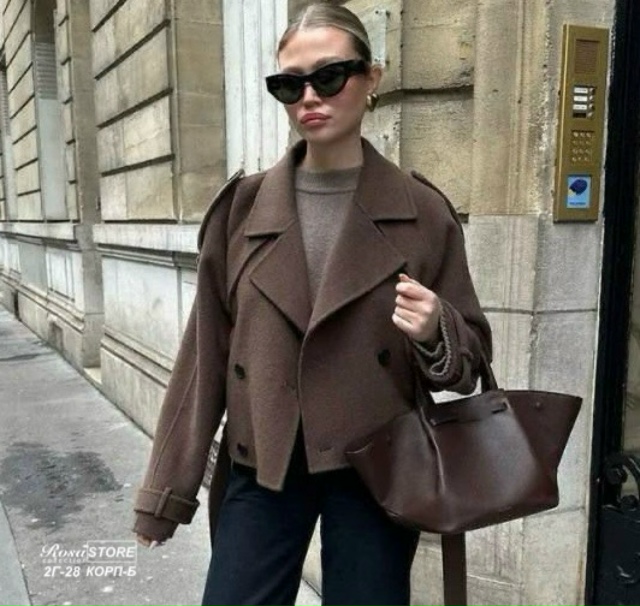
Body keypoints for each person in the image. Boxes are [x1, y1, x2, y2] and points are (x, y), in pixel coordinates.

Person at [133, 3, 492, 605]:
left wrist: (437, 329)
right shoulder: (242, 211)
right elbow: (203, 359)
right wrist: (165, 493)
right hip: (263, 460)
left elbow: (470, 361)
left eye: (329, 77)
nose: (309, 98)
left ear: (371, 78)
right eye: (288, 84)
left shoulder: (423, 212)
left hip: (377, 465)